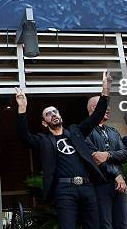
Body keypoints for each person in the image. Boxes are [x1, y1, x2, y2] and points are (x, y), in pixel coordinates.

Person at [15, 70, 113, 229]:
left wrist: (106, 89)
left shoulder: (76, 132)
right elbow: (23, 135)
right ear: (44, 123)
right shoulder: (43, 140)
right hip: (64, 191)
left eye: (55, 111)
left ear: (60, 116)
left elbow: (96, 116)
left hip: (87, 187)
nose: (53, 114)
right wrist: (22, 108)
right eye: (48, 114)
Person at [85, 95, 127, 229]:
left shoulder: (113, 131)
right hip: (101, 184)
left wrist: (108, 154)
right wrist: (117, 175)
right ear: (94, 107)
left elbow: (125, 154)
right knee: (106, 224)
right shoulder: (85, 130)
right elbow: (95, 159)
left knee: (123, 224)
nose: (109, 108)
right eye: (105, 105)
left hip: (120, 185)